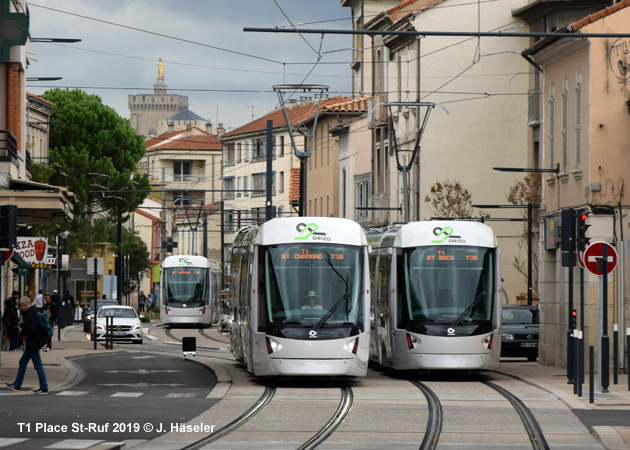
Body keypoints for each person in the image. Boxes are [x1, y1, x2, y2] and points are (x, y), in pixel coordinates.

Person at [6, 297, 48, 393]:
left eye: (21, 305)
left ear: (24, 304)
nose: (21, 307)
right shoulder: (34, 312)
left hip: (33, 342)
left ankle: (44, 386)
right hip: (33, 342)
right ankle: (17, 384)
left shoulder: (30, 313)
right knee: (23, 362)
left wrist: (22, 330)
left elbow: (32, 329)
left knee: (37, 364)